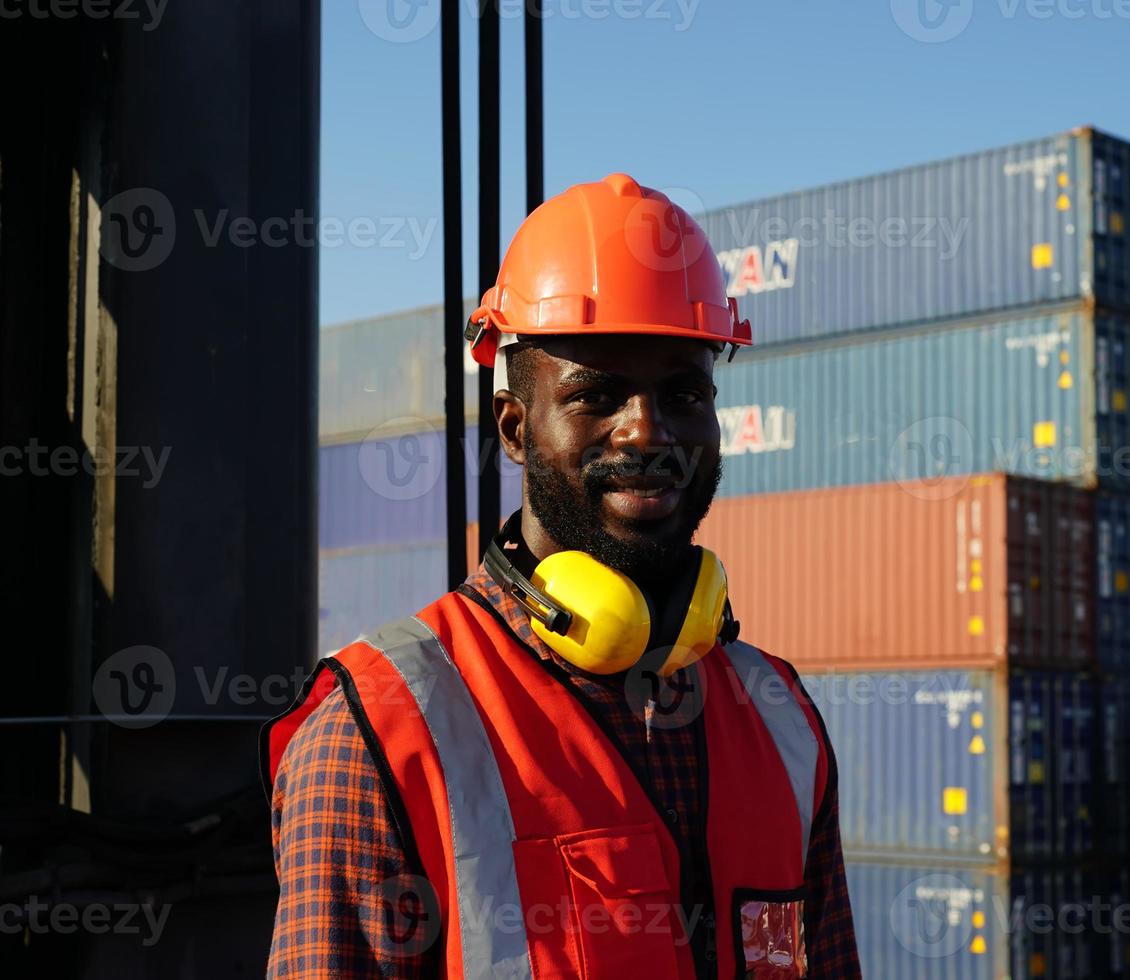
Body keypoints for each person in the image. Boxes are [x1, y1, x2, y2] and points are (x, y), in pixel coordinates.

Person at [262, 174, 859, 978]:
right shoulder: (375, 736)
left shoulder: (783, 723)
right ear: (515, 429)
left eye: (683, 392)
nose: (647, 431)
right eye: (597, 396)